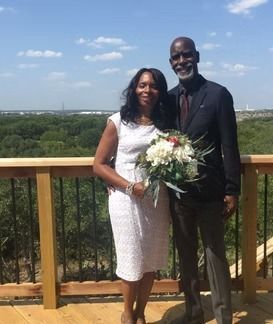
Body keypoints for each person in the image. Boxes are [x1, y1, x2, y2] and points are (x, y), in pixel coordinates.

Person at [168, 37, 241, 324]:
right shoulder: (168, 98)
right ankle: (194, 312)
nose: (182, 61)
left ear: (197, 57)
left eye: (186, 55)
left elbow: (229, 145)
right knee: (185, 256)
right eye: (176, 57)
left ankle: (224, 317)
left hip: (212, 191)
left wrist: (232, 189)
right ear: (171, 62)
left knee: (215, 257)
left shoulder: (218, 94)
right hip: (179, 194)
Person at [93, 68, 173, 324]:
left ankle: (141, 313)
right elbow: (99, 164)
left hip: (156, 200)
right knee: (130, 258)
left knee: (150, 259)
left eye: (153, 86)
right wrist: (128, 185)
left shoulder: (167, 124)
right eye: (142, 85)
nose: (147, 90)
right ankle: (127, 314)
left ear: (160, 91)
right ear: (133, 89)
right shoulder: (117, 121)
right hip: (125, 199)